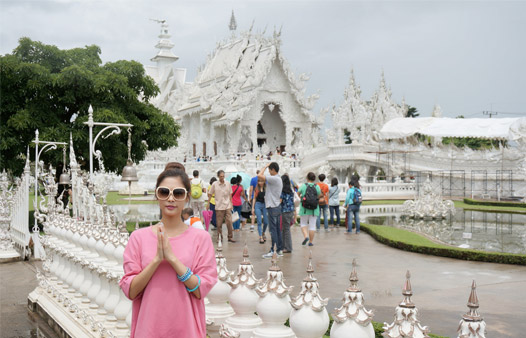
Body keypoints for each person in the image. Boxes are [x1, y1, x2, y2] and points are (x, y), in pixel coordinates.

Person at [119, 166, 217, 338]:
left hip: (187, 330)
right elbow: (131, 291)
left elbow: (200, 290)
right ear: (157, 195)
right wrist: (157, 259)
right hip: (148, 329)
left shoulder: (200, 239)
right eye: (164, 192)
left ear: (186, 197)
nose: (170, 198)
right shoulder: (138, 238)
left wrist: (172, 259)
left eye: (178, 193)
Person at [258, 162, 283, 258]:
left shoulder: (275, 178)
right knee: (277, 229)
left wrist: (264, 166)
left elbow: (260, 176)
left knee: (273, 230)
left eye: (269, 170)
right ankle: (279, 249)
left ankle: (274, 250)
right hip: (276, 206)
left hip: (273, 206)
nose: (268, 171)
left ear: (273, 169)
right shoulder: (278, 179)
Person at [209, 170, 236, 243]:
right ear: (218, 176)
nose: (222, 178)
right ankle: (219, 237)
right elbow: (210, 193)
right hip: (219, 206)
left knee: (229, 222)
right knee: (219, 223)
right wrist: (208, 203)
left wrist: (231, 203)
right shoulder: (215, 184)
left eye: (223, 176)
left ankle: (230, 237)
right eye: (221, 176)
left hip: (227, 205)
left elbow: (230, 194)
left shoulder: (227, 183)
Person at [298, 172, 322, 246]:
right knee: (312, 225)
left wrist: (302, 198)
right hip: (314, 209)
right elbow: (319, 195)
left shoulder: (303, 186)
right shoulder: (317, 186)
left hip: (304, 208)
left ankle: (306, 236)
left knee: (303, 223)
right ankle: (311, 242)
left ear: (307, 178)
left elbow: (298, 193)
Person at [280, 174, 295, 253]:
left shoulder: (282, 192)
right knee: (285, 229)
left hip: (285, 212)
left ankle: (288, 247)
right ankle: (284, 246)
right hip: (290, 211)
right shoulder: (290, 191)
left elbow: (280, 201)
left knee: (286, 230)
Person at [252, 177, 268, 244]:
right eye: (259, 181)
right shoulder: (256, 189)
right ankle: (260, 236)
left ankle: (263, 232)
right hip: (258, 205)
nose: (261, 183)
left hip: (264, 205)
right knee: (259, 221)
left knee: (266, 221)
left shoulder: (266, 188)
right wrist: (253, 207)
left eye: (262, 181)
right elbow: (254, 198)